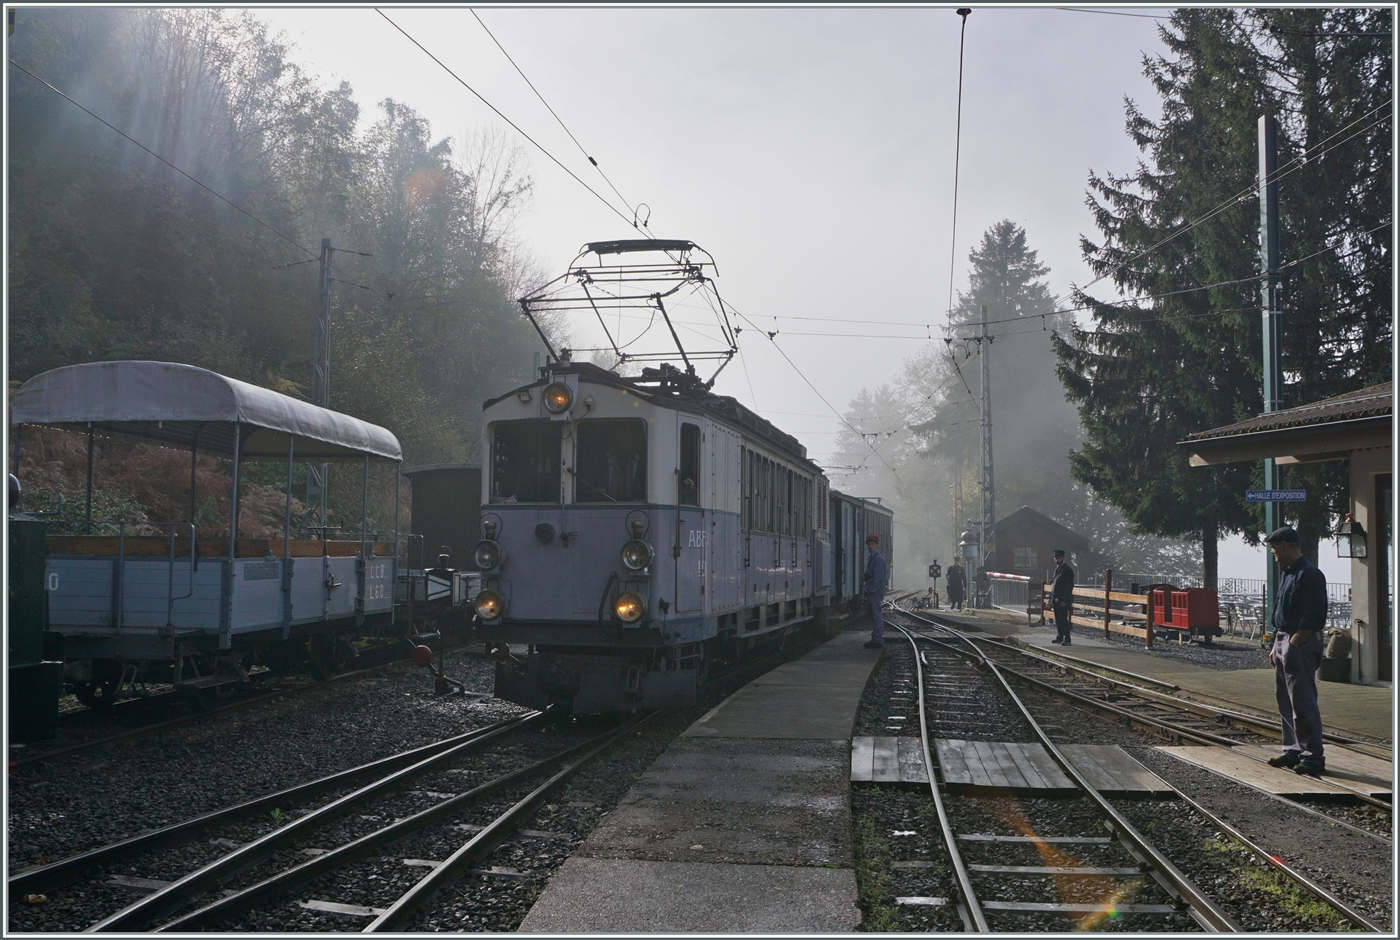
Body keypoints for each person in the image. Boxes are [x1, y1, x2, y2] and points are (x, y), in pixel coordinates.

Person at [1265, 526, 1327, 777]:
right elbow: (1283, 613)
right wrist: (1276, 644)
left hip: (1299, 641)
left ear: (1285, 545)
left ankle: (1312, 756)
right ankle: (1293, 749)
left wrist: (1294, 643)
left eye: (1274, 547)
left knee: (1303, 701)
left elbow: (1314, 615)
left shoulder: (1310, 575)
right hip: (1284, 638)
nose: (1272, 552)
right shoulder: (1288, 573)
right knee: (1285, 700)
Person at [861, 534, 887, 649]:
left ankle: (877, 640)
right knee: (874, 615)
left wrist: (872, 590)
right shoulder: (873, 557)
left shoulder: (877, 558)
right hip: (873, 591)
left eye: (872, 544)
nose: (870, 546)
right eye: (869, 544)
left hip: (874, 592)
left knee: (876, 615)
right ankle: (876, 638)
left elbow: (879, 577)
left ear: (876, 545)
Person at [1050, 549, 1075, 645]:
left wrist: (1064, 600)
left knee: (1063, 619)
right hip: (1056, 598)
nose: (1056, 559)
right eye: (1055, 558)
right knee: (1058, 619)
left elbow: (1068, 587)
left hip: (1062, 599)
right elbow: (1055, 585)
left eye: (1058, 557)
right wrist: (1050, 598)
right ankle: (1060, 636)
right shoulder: (1058, 569)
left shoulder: (1067, 570)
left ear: (1062, 558)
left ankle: (1067, 638)